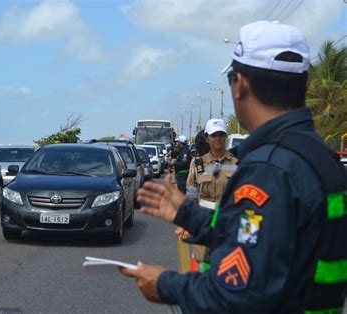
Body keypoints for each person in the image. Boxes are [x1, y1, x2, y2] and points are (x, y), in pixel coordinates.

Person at [121, 20, 347, 313]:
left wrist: (165, 285)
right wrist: (187, 213)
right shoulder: (321, 156)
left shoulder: (269, 169)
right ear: (305, 84)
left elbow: (239, 295)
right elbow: (271, 240)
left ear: (239, 85)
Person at [184, 119, 238, 266]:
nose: (218, 138)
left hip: (227, 220)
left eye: (221, 134)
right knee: (202, 261)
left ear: (226, 137)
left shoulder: (236, 163)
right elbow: (191, 194)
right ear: (207, 138)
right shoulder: (198, 163)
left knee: (226, 262)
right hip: (203, 220)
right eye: (214, 135)